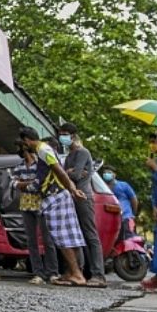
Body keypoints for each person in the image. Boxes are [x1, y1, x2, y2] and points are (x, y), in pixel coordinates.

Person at [19, 127, 87, 287]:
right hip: (58, 195)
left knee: (62, 236)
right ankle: (72, 272)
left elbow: (60, 171)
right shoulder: (44, 150)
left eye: (23, 142)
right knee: (69, 235)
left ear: (27, 140)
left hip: (56, 196)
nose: (23, 146)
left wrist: (72, 189)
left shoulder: (42, 150)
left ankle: (77, 274)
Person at [60, 123, 106, 287]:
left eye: (65, 134)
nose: (62, 137)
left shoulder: (82, 152)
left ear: (73, 135)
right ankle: (76, 272)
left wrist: (70, 173)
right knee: (74, 236)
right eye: (61, 134)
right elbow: (67, 176)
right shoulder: (70, 155)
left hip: (83, 197)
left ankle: (98, 275)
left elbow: (77, 175)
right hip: (72, 196)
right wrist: (69, 173)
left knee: (90, 234)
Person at [12, 140, 59, 284]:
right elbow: (14, 183)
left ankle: (52, 272)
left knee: (47, 239)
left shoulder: (40, 164)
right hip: (25, 205)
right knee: (31, 241)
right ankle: (38, 273)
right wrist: (29, 184)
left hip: (41, 204)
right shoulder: (19, 166)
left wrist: (24, 184)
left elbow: (38, 183)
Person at [142, 129, 157, 291]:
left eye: (154, 141)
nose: (152, 145)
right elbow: (155, 187)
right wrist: (154, 205)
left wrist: (156, 169)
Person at [102, 165, 138, 238]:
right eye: (104, 173)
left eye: (109, 172)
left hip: (125, 218)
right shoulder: (102, 187)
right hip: (110, 220)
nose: (106, 174)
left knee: (127, 239)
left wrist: (133, 214)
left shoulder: (123, 185)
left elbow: (134, 200)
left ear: (114, 175)